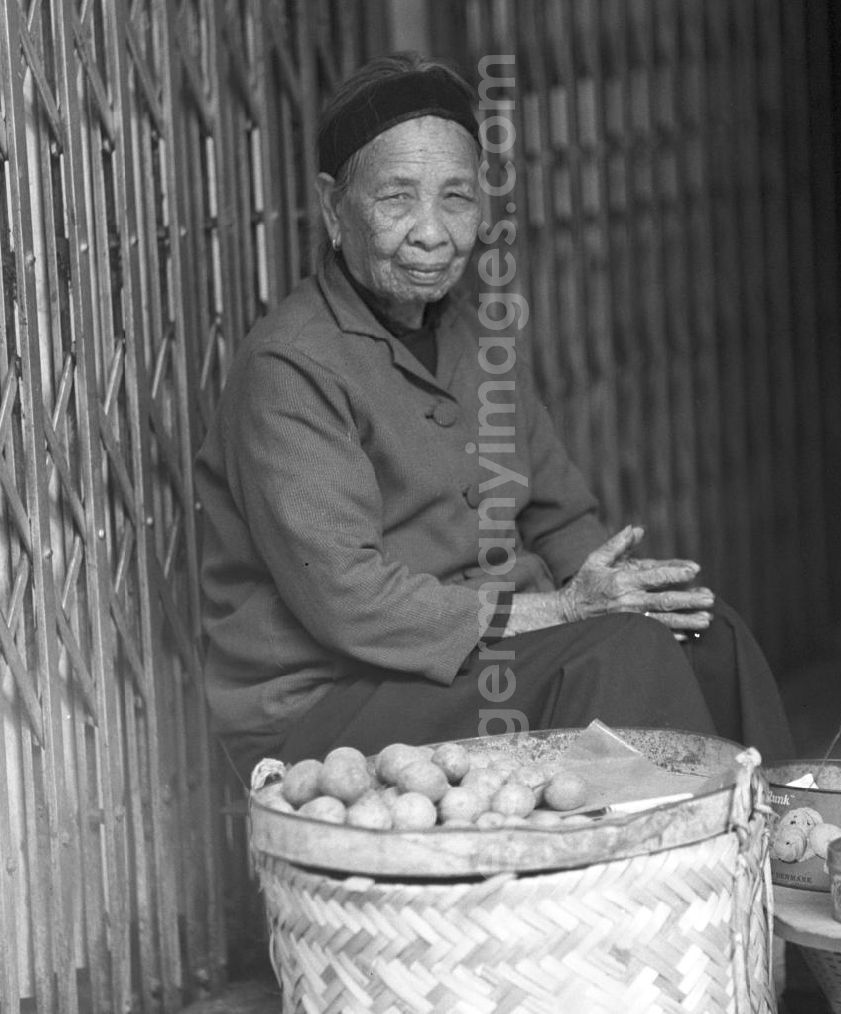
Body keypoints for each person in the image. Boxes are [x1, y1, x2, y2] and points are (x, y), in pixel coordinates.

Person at [195, 53, 795, 783]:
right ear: (332, 209)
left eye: (455, 198)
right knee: (617, 654)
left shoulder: (481, 338)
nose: (432, 232)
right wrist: (567, 612)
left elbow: (558, 515)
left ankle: (760, 844)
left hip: (484, 655)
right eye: (396, 199)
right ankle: (654, 885)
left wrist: (623, 595)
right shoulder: (289, 367)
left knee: (706, 635)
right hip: (336, 704)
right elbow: (349, 602)